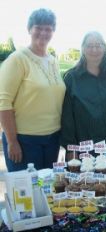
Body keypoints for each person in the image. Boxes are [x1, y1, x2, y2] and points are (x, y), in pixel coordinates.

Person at [0, 9, 66, 171]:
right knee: (26, 193)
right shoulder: (17, 59)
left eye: (48, 28)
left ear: (53, 31)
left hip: (52, 139)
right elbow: (3, 102)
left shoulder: (53, 61)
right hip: (24, 140)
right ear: (29, 29)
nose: (43, 32)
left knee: (46, 191)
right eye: (38, 27)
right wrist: (12, 141)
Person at [60, 31, 106, 161]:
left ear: (104, 48)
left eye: (98, 45)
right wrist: (71, 148)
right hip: (82, 151)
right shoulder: (71, 78)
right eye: (89, 45)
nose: (94, 49)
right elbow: (67, 117)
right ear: (82, 49)